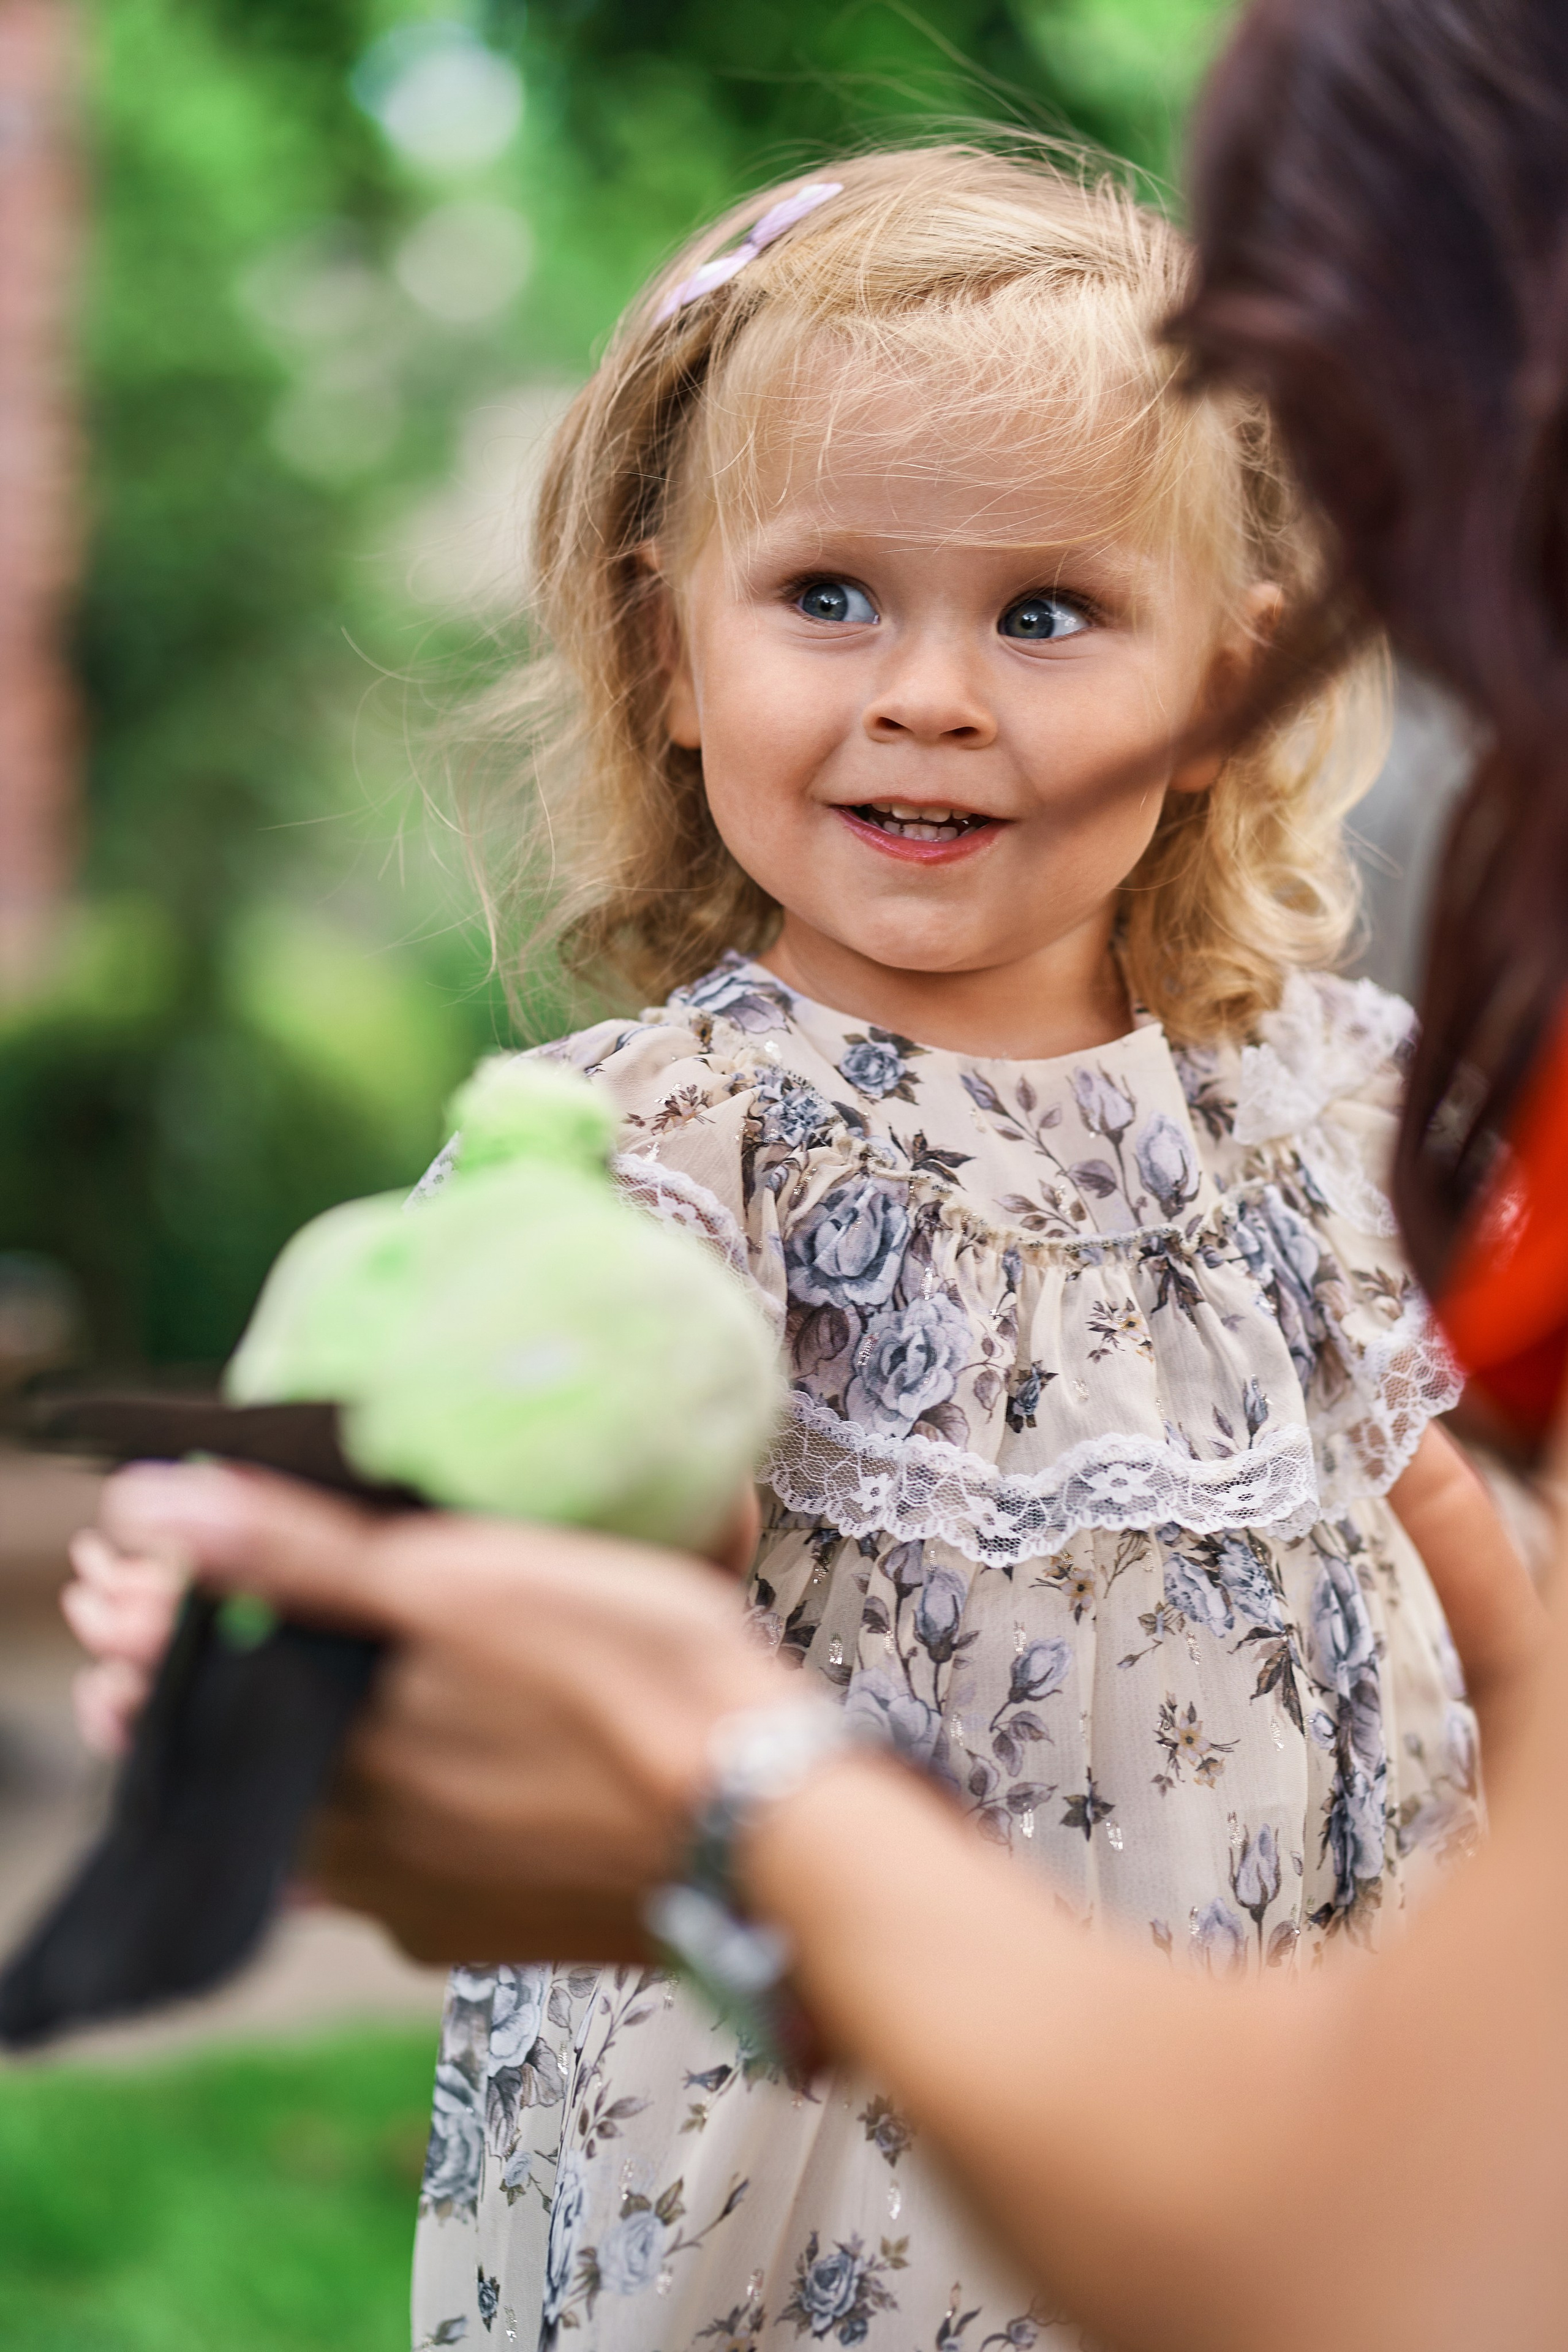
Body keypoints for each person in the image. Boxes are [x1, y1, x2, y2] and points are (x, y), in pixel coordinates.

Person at [72, 76, 1563, 2352]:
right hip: (822, 2178)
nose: (931, 697)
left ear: (1222, 685)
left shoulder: (1306, 1113)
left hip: (1278, 2104)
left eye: (1050, 611)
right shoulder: (661, 1157)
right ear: (674, 654)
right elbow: (600, 1574)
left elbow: (1462, 1563)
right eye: (832, 597)